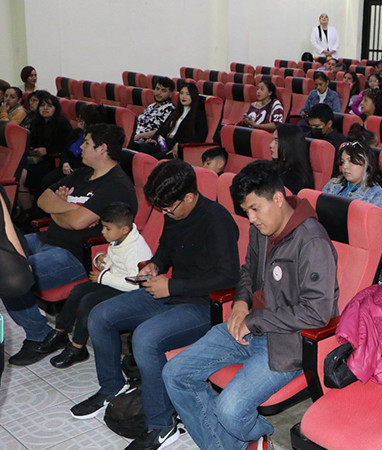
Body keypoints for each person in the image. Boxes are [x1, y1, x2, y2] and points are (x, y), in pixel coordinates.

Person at [164, 159, 338, 450]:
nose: (252, 218)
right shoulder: (262, 229)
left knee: (229, 411)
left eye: (255, 208)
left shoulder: (312, 241)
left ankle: (259, 434)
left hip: (288, 344)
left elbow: (316, 312)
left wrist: (254, 321)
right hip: (249, 325)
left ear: (279, 198)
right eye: (246, 211)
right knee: (175, 374)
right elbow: (247, 271)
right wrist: (241, 304)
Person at [72, 160, 239, 450]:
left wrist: (171, 285)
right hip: (169, 293)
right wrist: (155, 264)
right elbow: (166, 250)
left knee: (146, 337)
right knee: (100, 315)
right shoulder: (174, 211)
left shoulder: (217, 220)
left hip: (204, 305)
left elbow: (228, 277)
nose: (165, 214)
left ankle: (163, 426)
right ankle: (112, 388)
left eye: (169, 208)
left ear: (189, 196)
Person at [5, 124, 137, 366]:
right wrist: (70, 210)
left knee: (7, 276)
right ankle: (41, 330)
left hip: (75, 255)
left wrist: (63, 209)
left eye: (86, 143)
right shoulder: (83, 173)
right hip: (45, 239)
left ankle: (39, 334)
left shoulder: (116, 185)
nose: (80, 148)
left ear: (102, 148)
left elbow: (77, 224)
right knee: (4, 255)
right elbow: (43, 197)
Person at [42, 203, 152, 369]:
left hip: (129, 291)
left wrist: (103, 277)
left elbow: (135, 285)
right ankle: (60, 331)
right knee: (79, 290)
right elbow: (114, 262)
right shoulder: (120, 238)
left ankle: (78, 347)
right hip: (114, 281)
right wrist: (100, 259)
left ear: (124, 229)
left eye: (107, 229)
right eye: (103, 227)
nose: (102, 232)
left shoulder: (136, 249)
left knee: (89, 301)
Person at [39, 103, 105, 190]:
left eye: (82, 118)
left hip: (81, 171)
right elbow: (65, 151)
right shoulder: (76, 133)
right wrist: (65, 163)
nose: (78, 120)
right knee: (46, 182)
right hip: (66, 167)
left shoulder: (97, 138)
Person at [140, 83, 207, 159]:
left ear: (193, 96)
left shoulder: (199, 115)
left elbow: (200, 137)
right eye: (181, 93)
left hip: (177, 147)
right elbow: (162, 128)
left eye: (187, 94)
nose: (183, 96)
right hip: (163, 143)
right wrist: (154, 139)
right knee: (141, 147)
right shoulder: (175, 111)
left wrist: (180, 144)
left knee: (154, 158)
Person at [25, 92, 73, 195]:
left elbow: (66, 146)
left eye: (49, 106)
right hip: (39, 158)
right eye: (42, 105)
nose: (45, 108)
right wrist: (32, 150)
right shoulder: (36, 121)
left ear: (55, 108)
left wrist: (47, 150)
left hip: (54, 160)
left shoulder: (62, 123)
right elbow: (33, 141)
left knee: (29, 173)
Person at [323, 140, 382, 209]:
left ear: (366, 164)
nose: (345, 166)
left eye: (351, 161)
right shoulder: (333, 183)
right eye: (343, 161)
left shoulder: (375, 194)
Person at [270, 123, 314, 194]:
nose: (271, 145)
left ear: (288, 144)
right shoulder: (271, 168)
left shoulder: (299, 181)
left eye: (276, 141)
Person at [131, 77, 175, 145]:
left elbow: (162, 130)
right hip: (135, 136)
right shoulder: (150, 106)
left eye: (163, 91)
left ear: (170, 94)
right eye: (157, 89)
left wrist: (140, 136)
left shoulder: (170, 109)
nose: (158, 93)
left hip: (148, 141)